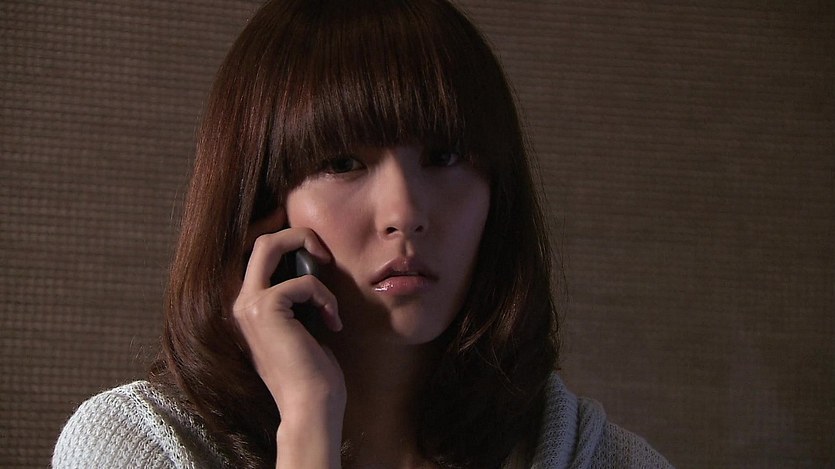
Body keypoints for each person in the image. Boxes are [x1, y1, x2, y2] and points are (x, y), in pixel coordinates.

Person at [53, 0, 673, 467]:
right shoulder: (137, 446)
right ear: (264, 210)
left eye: (445, 156)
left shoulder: (604, 458)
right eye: (344, 163)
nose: (404, 213)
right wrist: (307, 424)